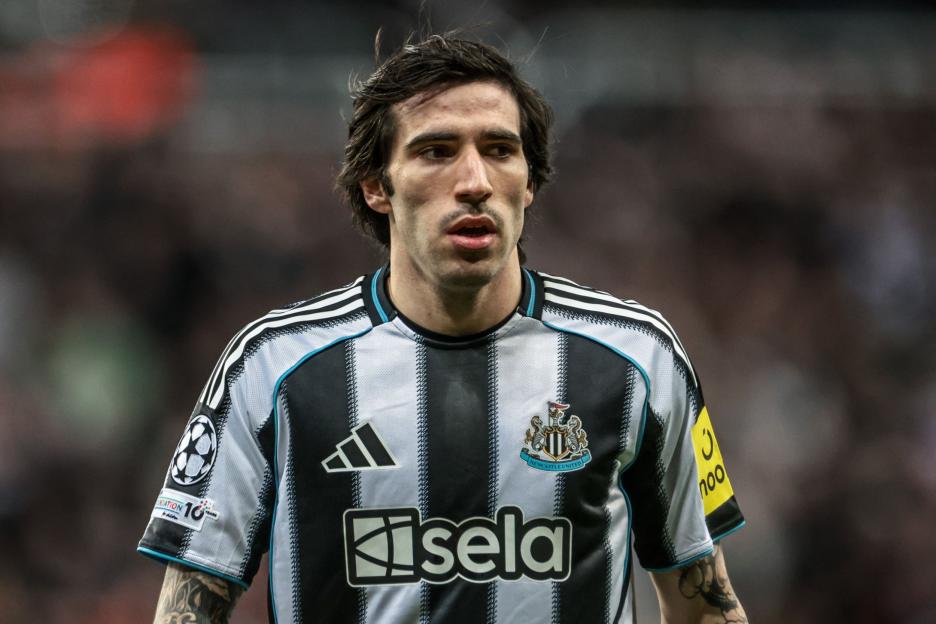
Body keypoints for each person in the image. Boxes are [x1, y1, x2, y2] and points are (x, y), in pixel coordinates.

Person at [140, 34, 748, 624]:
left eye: (500, 150)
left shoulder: (638, 357)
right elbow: (189, 608)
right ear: (377, 186)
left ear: (530, 182)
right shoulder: (272, 367)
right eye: (437, 151)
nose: (476, 181)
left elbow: (702, 606)